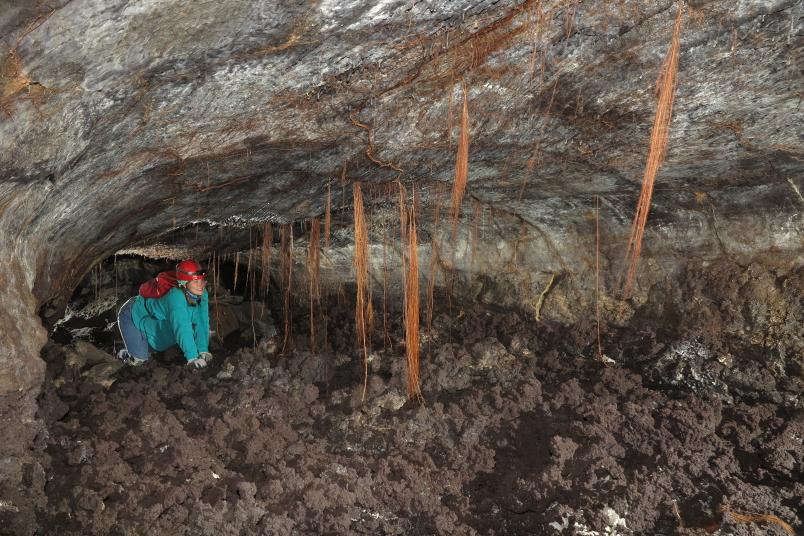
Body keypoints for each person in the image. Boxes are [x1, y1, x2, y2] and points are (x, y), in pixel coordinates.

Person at [117, 259, 212, 368]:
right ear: (184, 284)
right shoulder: (176, 297)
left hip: (151, 322)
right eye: (196, 281)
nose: (200, 285)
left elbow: (202, 321)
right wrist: (192, 358)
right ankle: (129, 352)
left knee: (159, 344)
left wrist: (203, 350)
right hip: (132, 315)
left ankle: (133, 346)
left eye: (202, 280)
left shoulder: (202, 294)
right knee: (139, 362)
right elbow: (182, 326)